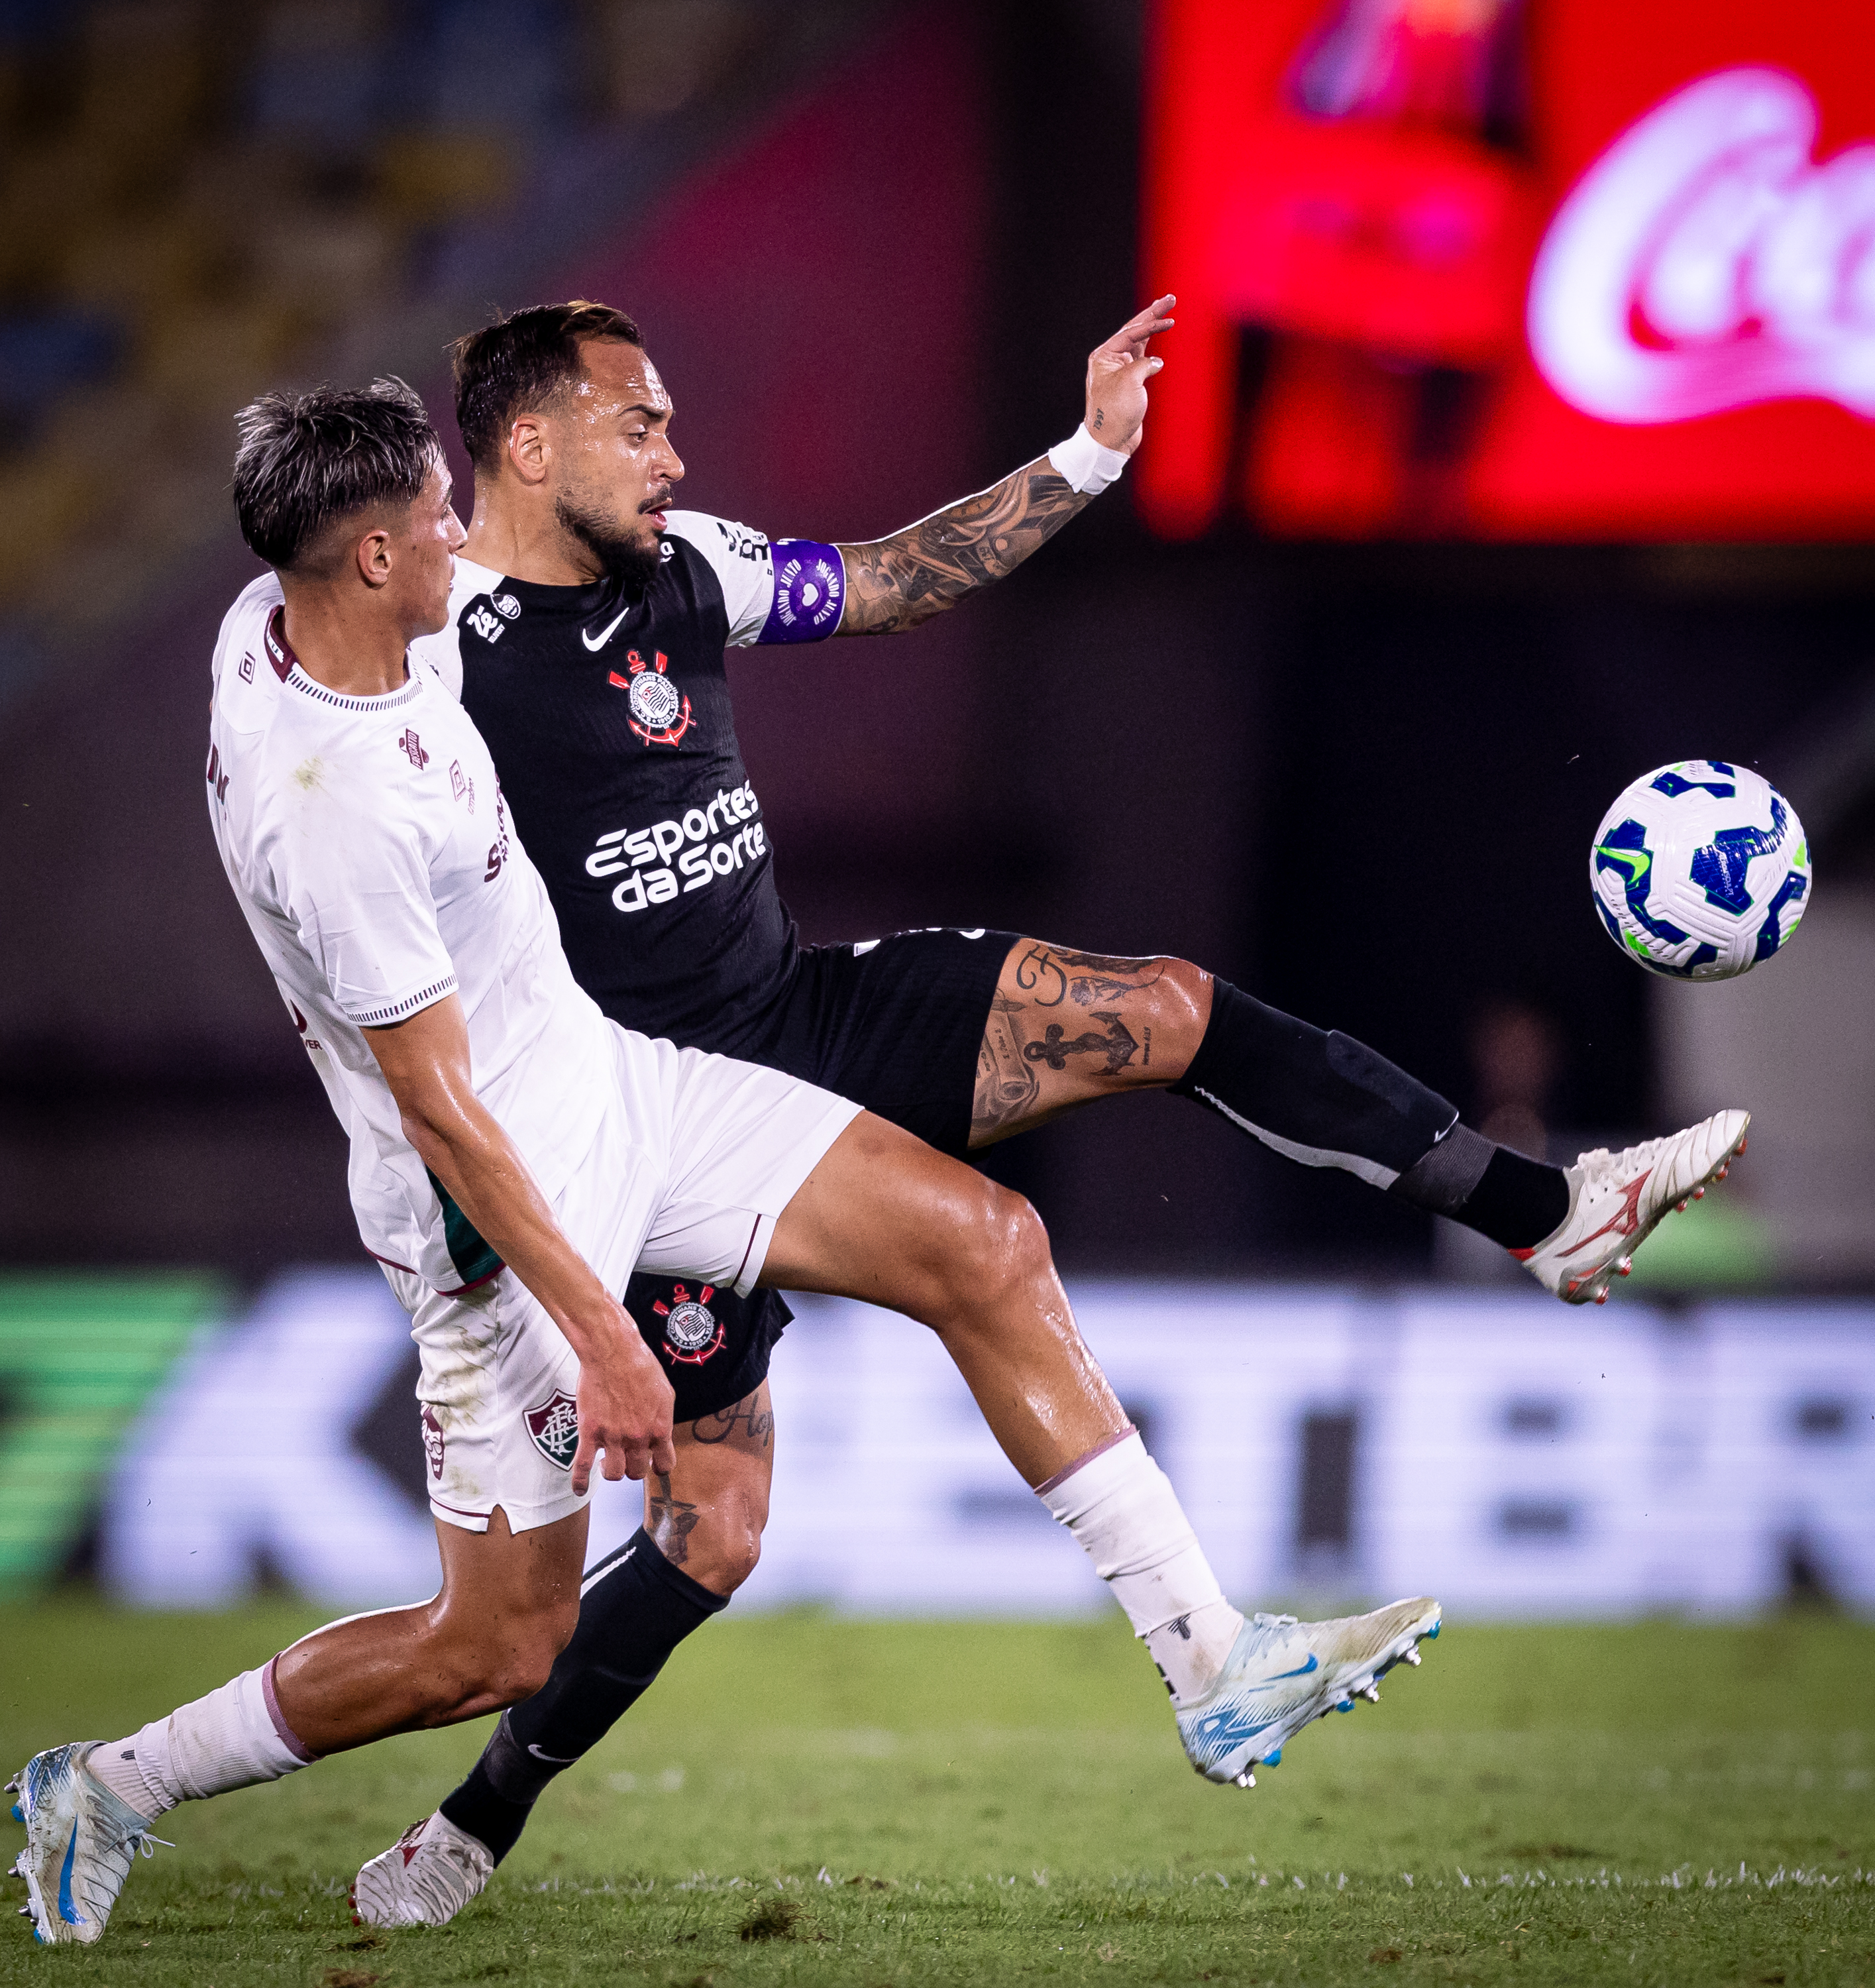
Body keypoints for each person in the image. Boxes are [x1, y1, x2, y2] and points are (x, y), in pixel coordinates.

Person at [344, 302, 1747, 1925]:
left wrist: (1087, 453)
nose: (675, 452)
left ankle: (1549, 1218)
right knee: (715, 1529)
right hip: (637, 1135)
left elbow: (891, 577)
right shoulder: (428, 659)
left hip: (803, 1022)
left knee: (1157, 1005)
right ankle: (469, 1828)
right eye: (638, 423)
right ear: (526, 444)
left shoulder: (692, 569)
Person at [7, 380, 1443, 1948]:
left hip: (633, 1090)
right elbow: (443, 1119)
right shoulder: (333, 811)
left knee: (984, 1242)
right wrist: (611, 1334)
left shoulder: (279, 615)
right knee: (485, 1649)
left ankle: (1209, 1662)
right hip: (501, 1223)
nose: (456, 533)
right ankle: (113, 1781)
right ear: (364, 557)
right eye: (432, 517)